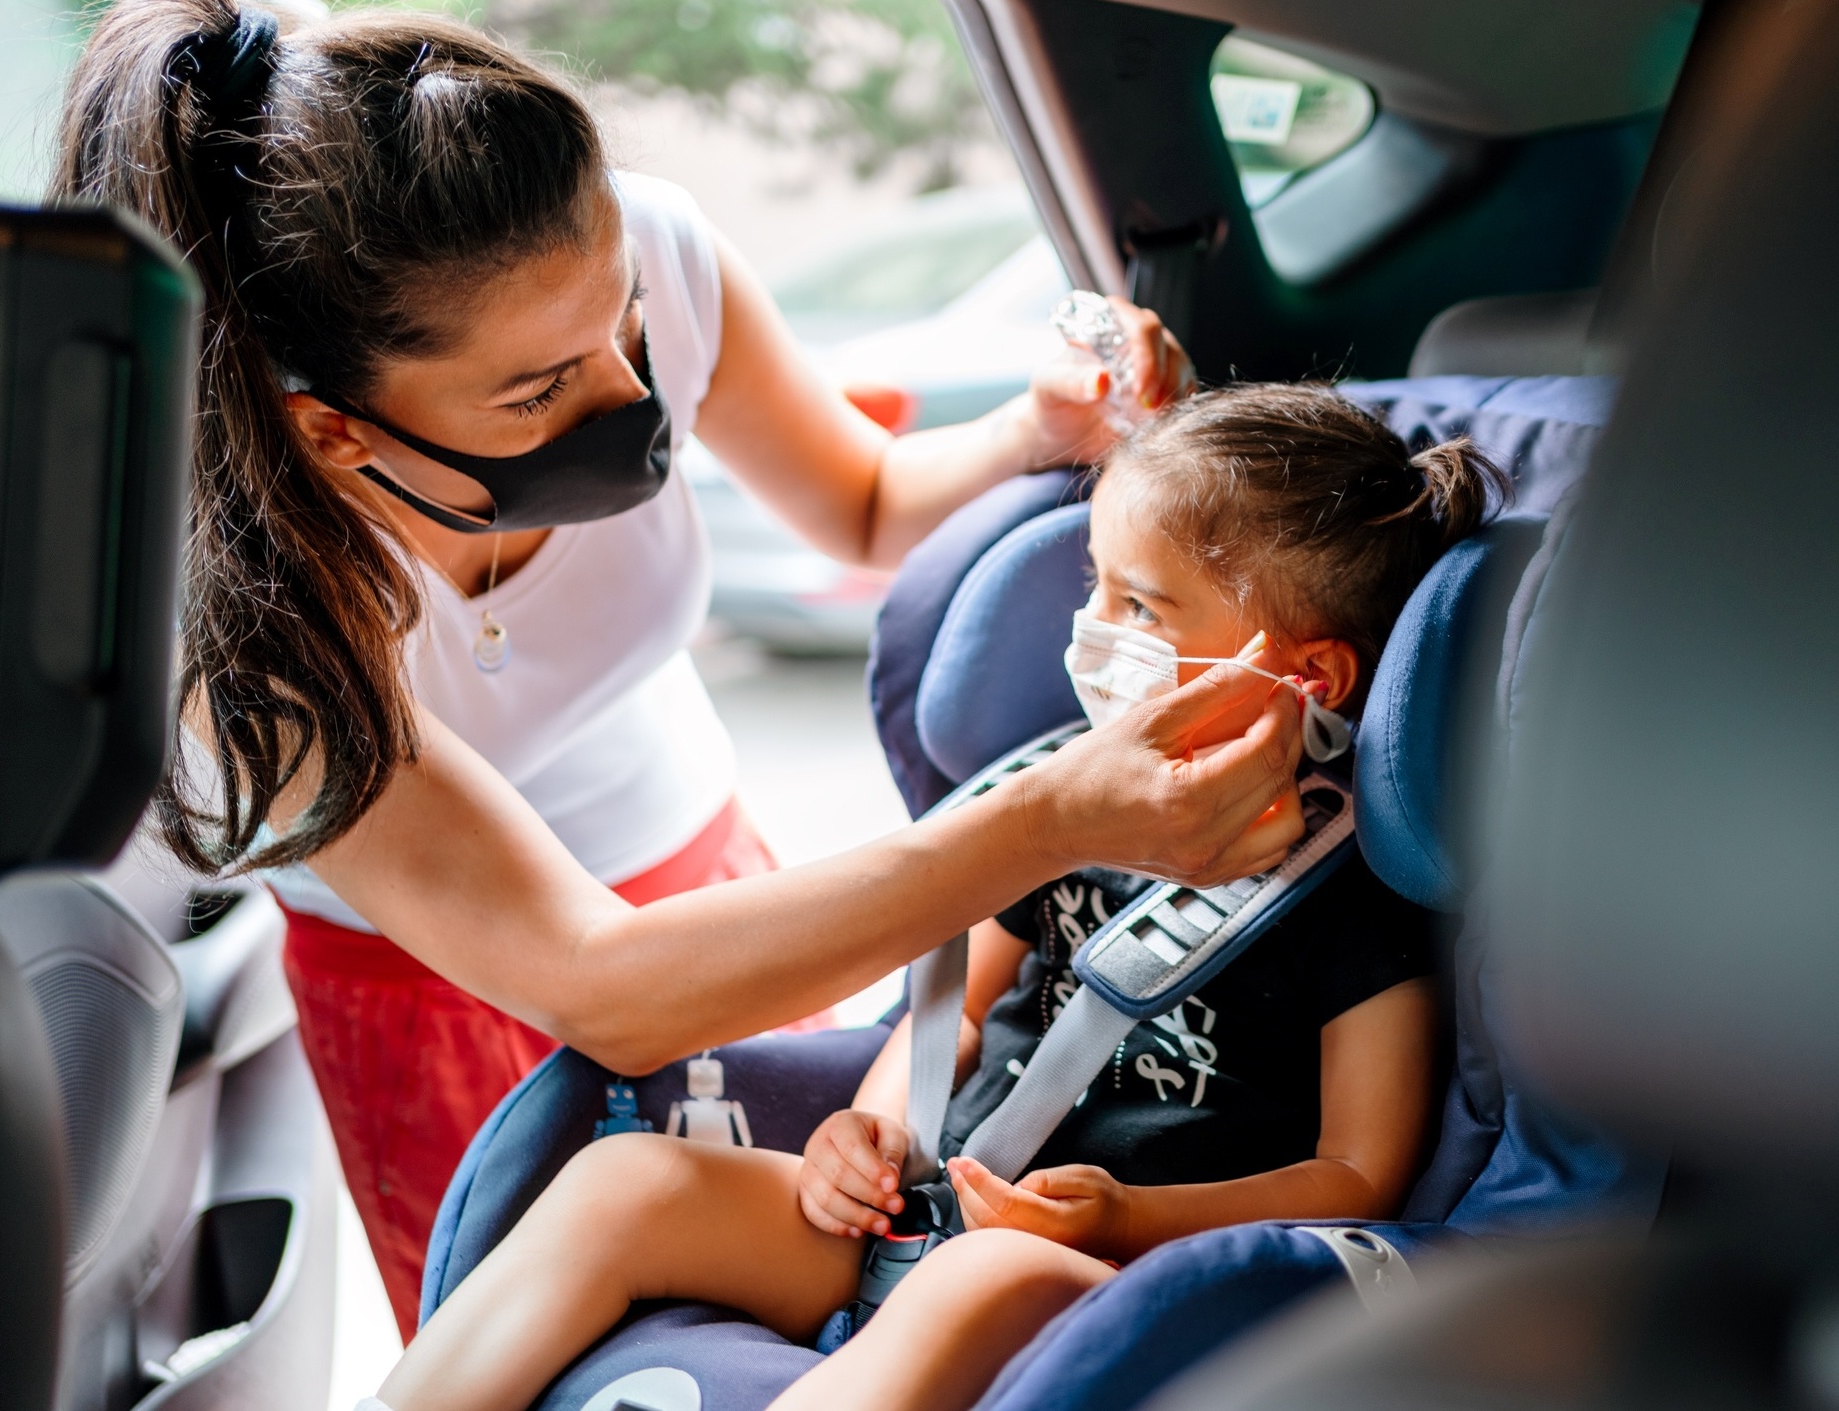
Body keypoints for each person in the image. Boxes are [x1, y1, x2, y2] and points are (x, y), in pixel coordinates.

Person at [55, 0, 1306, 1334]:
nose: (624, 391)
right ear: (333, 433)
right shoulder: (248, 630)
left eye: (629, 325)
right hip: (449, 992)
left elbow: (868, 503)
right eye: (537, 392)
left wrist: (1029, 428)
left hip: (726, 888)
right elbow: (605, 981)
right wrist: (1062, 812)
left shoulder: (634, 248)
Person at [364, 383, 1512, 1411]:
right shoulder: (1068, 802)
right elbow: (952, 1016)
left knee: (983, 1274)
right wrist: (874, 1129)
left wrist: (1124, 1220)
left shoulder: (1352, 900)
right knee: (627, 1178)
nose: (1093, 632)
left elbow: (1360, 1176)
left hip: (1112, 1276)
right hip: (927, 1208)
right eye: (1095, 588)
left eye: (1144, 610)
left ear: (1304, 679)